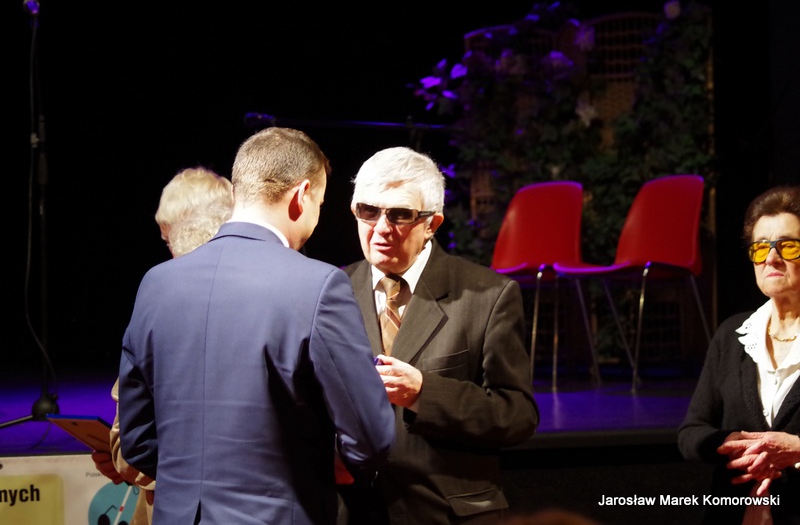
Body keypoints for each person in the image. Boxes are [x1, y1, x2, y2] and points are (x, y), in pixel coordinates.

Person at [117, 127, 395, 525]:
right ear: (301, 196)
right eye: (319, 203)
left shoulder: (156, 284)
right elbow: (370, 435)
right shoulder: (318, 285)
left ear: (238, 192)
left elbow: (137, 439)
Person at [338, 147, 539, 524]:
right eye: (368, 211)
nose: (381, 228)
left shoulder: (487, 296)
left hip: (445, 512)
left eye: (399, 214)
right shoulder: (333, 290)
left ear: (432, 223)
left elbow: (517, 415)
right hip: (355, 511)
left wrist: (423, 393)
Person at [91, 165, 234, 525]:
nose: (171, 252)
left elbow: (130, 446)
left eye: (169, 240)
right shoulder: (273, 299)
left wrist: (127, 463)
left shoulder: (159, 301)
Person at [678, 185, 800, 524]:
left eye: (788, 246)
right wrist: (729, 442)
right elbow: (691, 432)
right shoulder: (733, 334)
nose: (771, 258)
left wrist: (797, 450)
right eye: (760, 248)